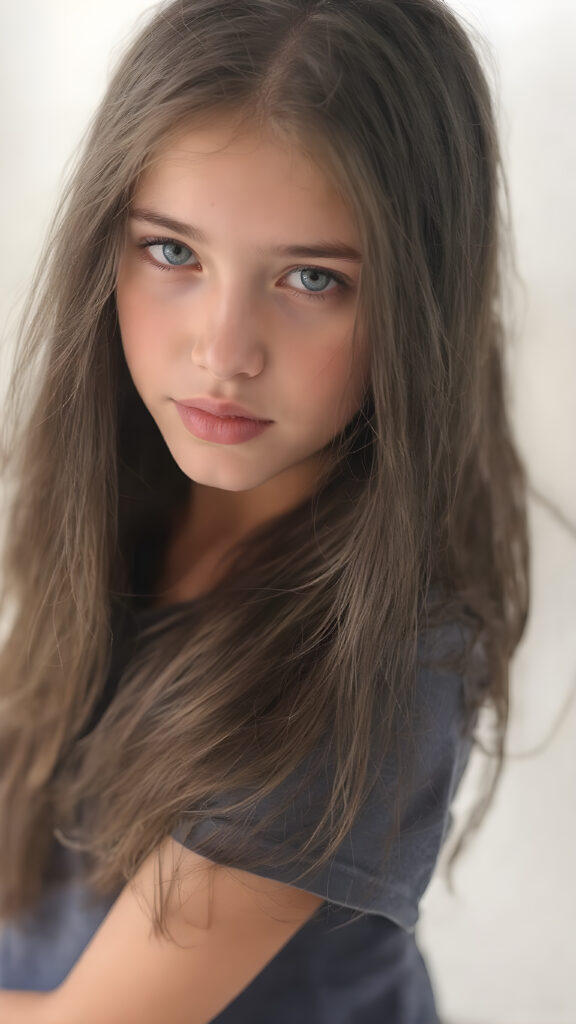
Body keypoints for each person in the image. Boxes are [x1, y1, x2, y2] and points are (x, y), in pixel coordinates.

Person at [0, 0, 529, 1021]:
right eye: (174, 253)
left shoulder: (378, 659)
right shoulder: (128, 489)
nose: (223, 351)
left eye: (312, 278)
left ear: (417, 307)